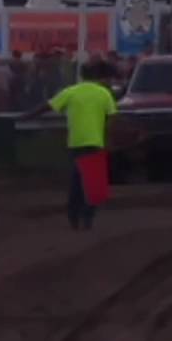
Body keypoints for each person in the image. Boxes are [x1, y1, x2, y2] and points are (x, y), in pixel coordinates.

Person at [21, 61, 117, 231]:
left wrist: (25, 117)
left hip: (76, 142)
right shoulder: (104, 93)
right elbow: (112, 119)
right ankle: (88, 217)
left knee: (77, 181)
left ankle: (73, 215)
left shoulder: (71, 92)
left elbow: (47, 106)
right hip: (96, 141)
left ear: (81, 75)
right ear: (96, 75)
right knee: (94, 183)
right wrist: (108, 141)